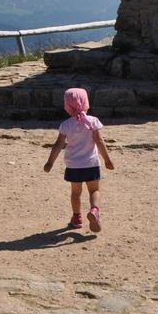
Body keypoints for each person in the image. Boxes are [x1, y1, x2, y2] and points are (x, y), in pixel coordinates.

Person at [43, 87, 114, 233]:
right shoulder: (93, 121)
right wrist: (107, 159)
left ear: (67, 106)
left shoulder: (66, 125)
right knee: (94, 190)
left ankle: (77, 218)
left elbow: (58, 145)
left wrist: (50, 162)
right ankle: (94, 210)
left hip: (73, 165)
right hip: (91, 163)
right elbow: (99, 141)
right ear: (86, 102)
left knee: (76, 193)